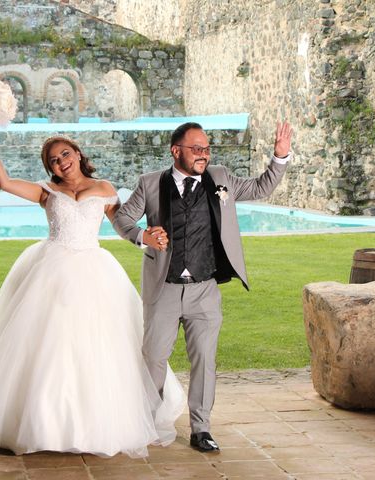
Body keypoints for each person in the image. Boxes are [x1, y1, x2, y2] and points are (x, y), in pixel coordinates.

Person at [0, 121, 184, 458]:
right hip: (50, 270)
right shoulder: (46, 192)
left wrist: (145, 237)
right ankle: (42, 424)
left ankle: (97, 423)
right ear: (49, 168)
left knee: (99, 344)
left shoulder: (104, 188)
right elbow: (5, 182)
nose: (61, 162)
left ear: (78, 154)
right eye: (53, 160)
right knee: (47, 344)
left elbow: (123, 225)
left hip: (94, 270)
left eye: (65, 154)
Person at [112, 121, 292, 453]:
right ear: (175, 150)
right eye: (197, 149)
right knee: (154, 358)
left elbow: (261, 188)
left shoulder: (221, 178)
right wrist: (142, 236)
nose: (204, 155)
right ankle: (146, 424)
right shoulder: (151, 184)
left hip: (204, 289)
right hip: (163, 289)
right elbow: (123, 218)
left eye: (207, 149)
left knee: (205, 361)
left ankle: (201, 428)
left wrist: (279, 157)